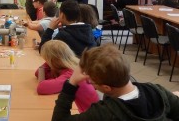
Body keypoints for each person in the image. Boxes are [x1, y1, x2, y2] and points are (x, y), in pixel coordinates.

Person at [51, 43, 179, 120]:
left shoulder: (104, 113)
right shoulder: (157, 90)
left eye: (93, 83)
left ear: (106, 88)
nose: (92, 85)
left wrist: (72, 82)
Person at [35, 40, 98, 113]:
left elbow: (41, 87)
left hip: (88, 113)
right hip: (83, 109)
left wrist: (50, 61)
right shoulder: (67, 66)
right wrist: (49, 62)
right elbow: (38, 73)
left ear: (53, 60)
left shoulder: (72, 74)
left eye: (46, 59)